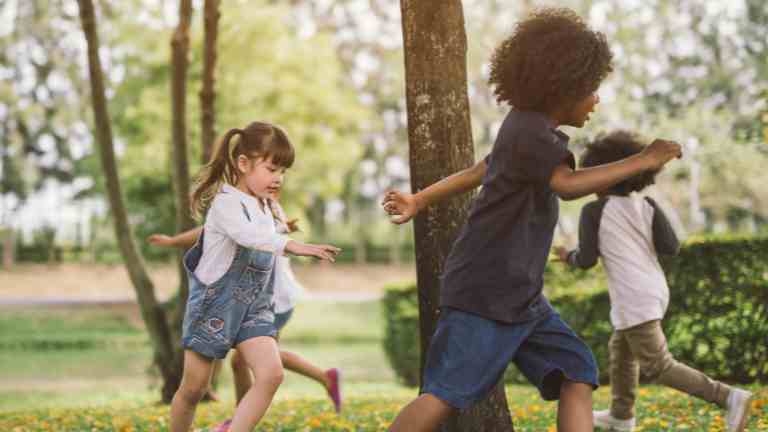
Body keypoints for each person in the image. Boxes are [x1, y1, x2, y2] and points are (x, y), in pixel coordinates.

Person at [382, 8, 681, 431]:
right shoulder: (534, 134)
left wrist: (420, 198)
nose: (596, 100)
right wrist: (644, 159)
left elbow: (481, 170)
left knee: (577, 370)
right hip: (486, 294)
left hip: (520, 296)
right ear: (565, 87)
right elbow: (568, 184)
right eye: (591, 90)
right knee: (444, 395)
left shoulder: (521, 128)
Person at [553, 130, 753, 432]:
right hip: (653, 288)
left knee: (658, 365)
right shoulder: (646, 205)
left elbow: (587, 259)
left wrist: (568, 255)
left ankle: (728, 396)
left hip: (633, 294)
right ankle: (622, 415)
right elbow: (671, 247)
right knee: (621, 350)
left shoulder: (594, 211)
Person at [169, 121, 340, 432]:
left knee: (272, 374)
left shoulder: (267, 206)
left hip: (254, 307)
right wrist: (298, 246)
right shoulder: (225, 203)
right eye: (271, 169)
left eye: (283, 172)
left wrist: (287, 231)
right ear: (243, 164)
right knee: (193, 389)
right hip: (213, 307)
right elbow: (250, 237)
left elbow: (270, 235)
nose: (278, 178)